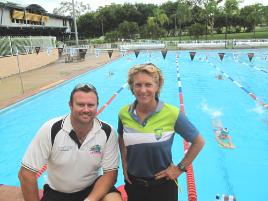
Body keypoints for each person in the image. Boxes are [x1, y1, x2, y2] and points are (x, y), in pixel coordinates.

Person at [18, 83, 122, 201]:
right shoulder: (51, 129)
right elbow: (26, 173)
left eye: (91, 105)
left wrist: (90, 200)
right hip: (58, 192)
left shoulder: (107, 132)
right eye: (81, 105)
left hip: (92, 187)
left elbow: (110, 173)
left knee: (113, 199)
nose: (86, 110)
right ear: (70, 105)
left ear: (97, 106)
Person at [118, 63, 205, 201]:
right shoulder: (123, 113)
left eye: (148, 84)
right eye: (138, 85)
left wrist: (180, 168)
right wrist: (124, 165)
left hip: (163, 187)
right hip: (134, 184)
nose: (143, 90)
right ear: (132, 87)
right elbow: (121, 138)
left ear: (157, 87)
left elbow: (199, 141)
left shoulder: (172, 113)